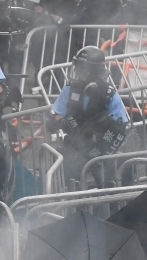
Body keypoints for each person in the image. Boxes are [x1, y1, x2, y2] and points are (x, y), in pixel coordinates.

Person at [47, 46, 131, 188]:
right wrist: (63, 122)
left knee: (108, 182)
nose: (80, 72)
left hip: (103, 147)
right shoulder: (70, 88)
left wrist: (98, 151)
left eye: (84, 68)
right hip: (76, 146)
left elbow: (122, 127)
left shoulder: (108, 94)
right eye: (78, 67)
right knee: (67, 180)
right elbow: (55, 116)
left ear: (95, 71)